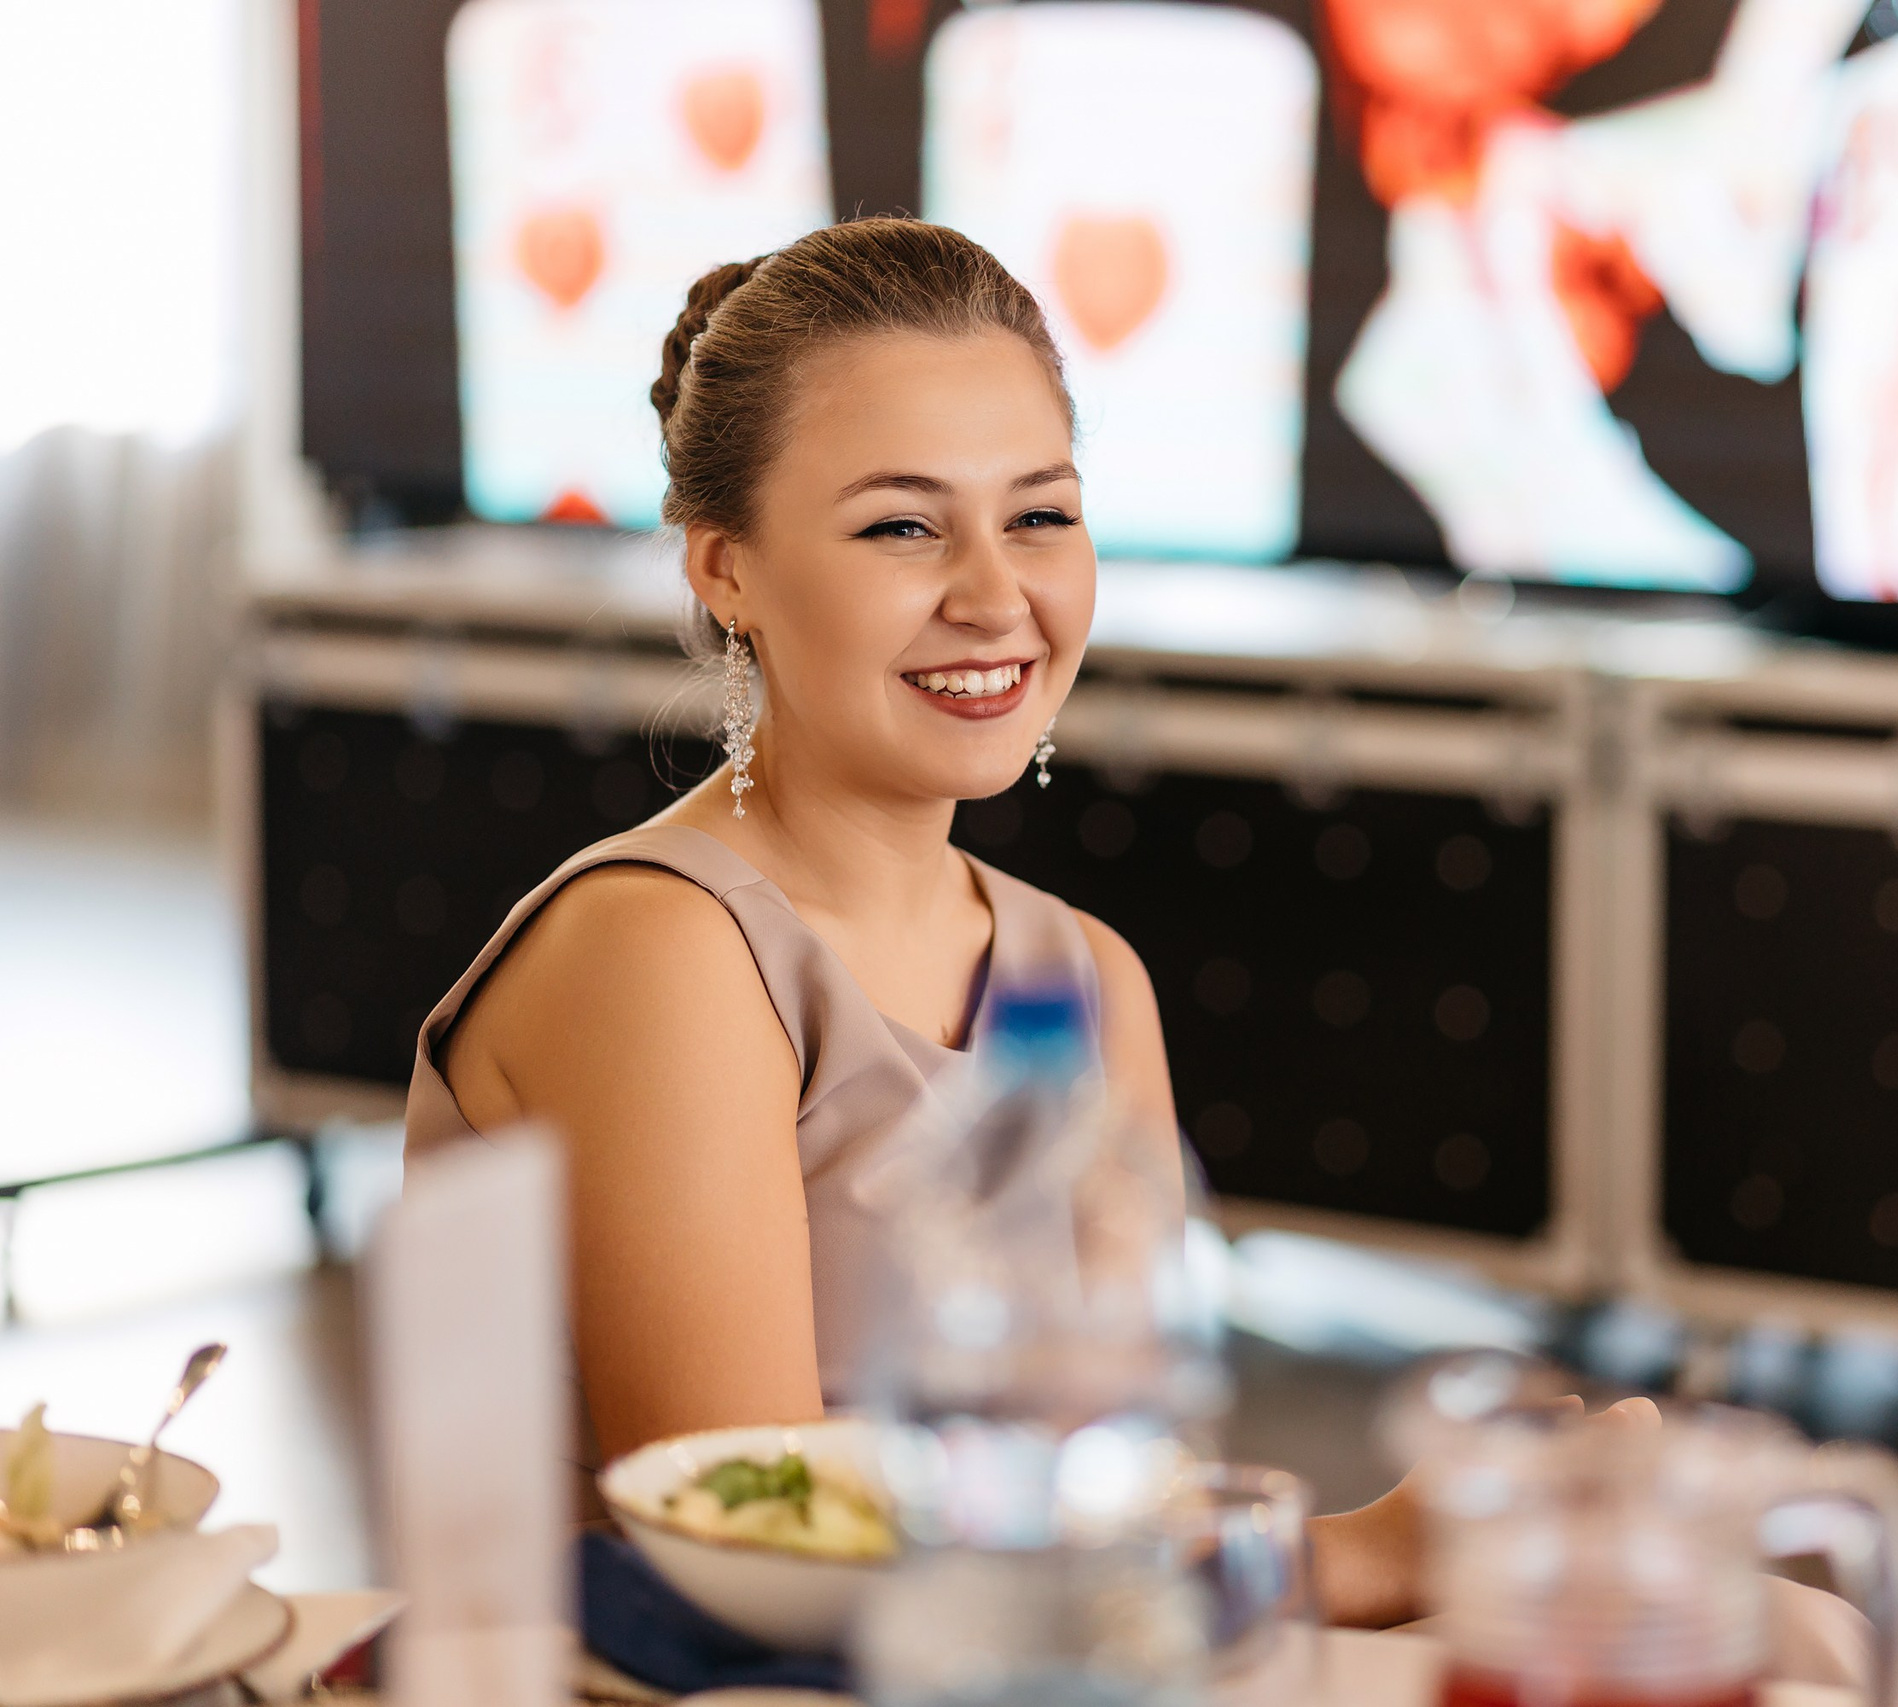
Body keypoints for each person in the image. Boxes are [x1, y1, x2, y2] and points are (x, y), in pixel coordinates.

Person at [402, 215, 1422, 1625]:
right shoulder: (661, 951)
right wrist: (1362, 1553)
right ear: (726, 569)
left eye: (1041, 516)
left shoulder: (1086, 977)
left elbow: (1127, 1489)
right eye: (902, 526)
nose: (997, 595)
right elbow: (764, 1555)